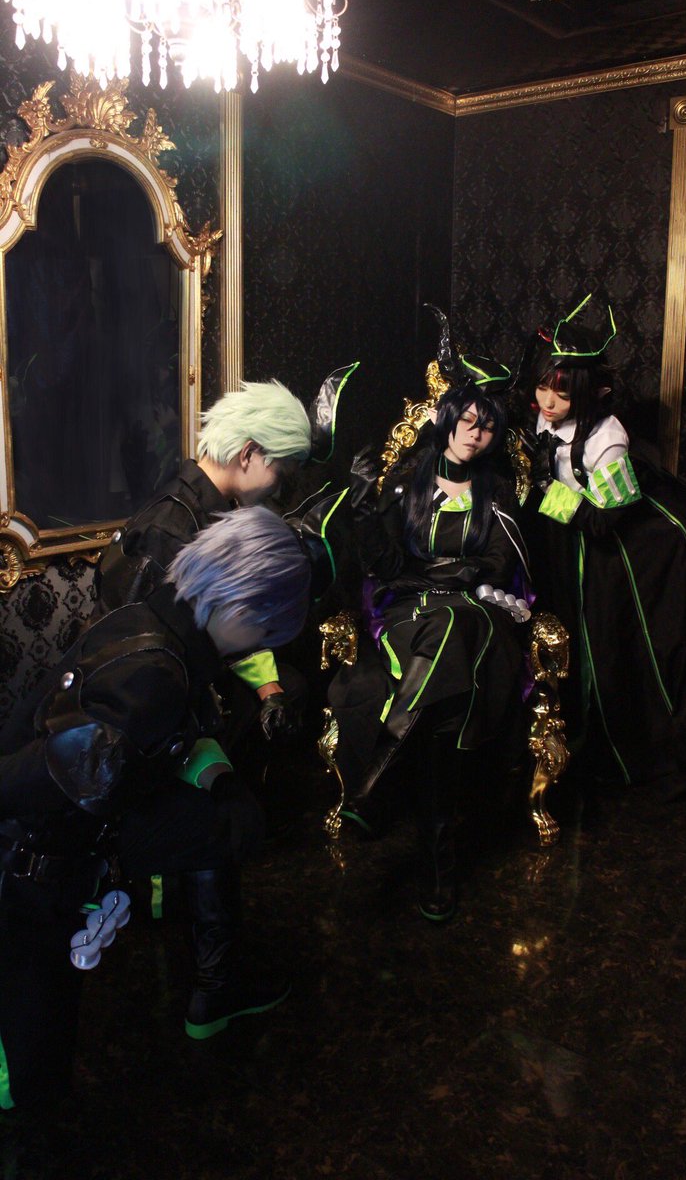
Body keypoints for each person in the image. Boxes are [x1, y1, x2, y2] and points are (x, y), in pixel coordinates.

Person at [0, 506, 311, 1111]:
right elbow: (41, 783)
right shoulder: (156, 674)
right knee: (28, 1078)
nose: (263, 645)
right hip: (27, 881)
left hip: (46, 863)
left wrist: (219, 786)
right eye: (266, 630)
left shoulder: (152, 620)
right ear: (242, 610)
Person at [328, 332, 530, 923]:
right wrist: (362, 509)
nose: (475, 434)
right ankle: (437, 864)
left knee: (452, 620)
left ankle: (374, 787)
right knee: (442, 692)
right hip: (411, 617)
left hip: (479, 620)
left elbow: (495, 568)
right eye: (467, 420)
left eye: (487, 427)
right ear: (447, 419)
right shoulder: (406, 482)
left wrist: (439, 574)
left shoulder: (498, 492)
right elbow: (389, 567)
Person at [517, 293, 686, 793]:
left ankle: (602, 750)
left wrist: (544, 489)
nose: (548, 402)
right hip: (555, 541)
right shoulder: (544, 416)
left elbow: (602, 521)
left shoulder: (607, 438)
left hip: (602, 554)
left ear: (593, 393)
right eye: (543, 387)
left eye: (562, 394)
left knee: (599, 652)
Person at [95, 378, 312, 746]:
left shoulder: (209, 510)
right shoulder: (170, 529)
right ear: (249, 454)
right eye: (281, 472)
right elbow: (137, 661)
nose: (277, 489)